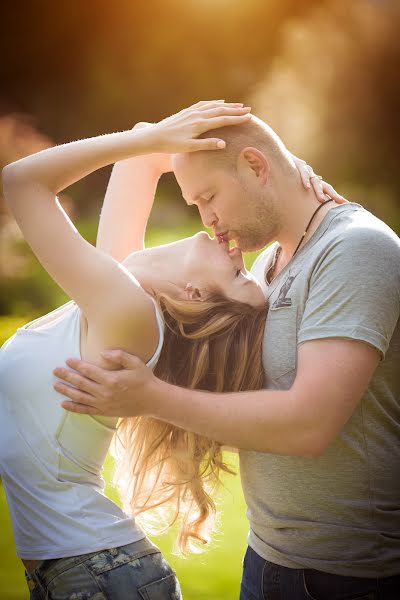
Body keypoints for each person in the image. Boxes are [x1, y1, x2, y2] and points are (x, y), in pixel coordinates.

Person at [0, 101, 339, 599]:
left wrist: (149, 140)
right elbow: (143, 158)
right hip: (96, 573)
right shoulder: (124, 293)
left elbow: (21, 182)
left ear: (197, 295)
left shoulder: (129, 315)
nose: (232, 247)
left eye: (239, 274)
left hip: (98, 575)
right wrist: (286, 169)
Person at [55, 113, 400, 599]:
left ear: (256, 168)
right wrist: (162, 141)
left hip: (349, 578)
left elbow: (309, 424)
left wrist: (150, 396)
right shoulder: (268, 265)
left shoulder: (355, 249)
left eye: (209, 197)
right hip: (267, 559)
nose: (207, 220)